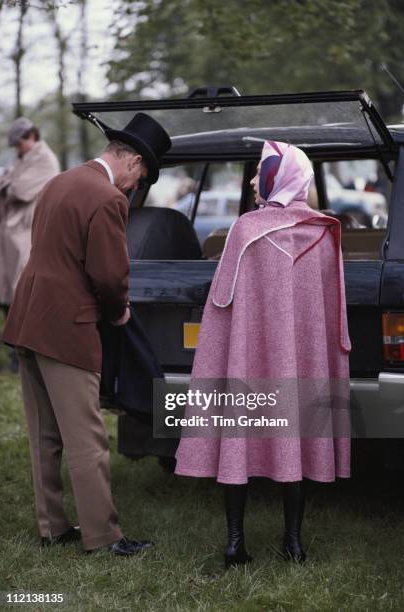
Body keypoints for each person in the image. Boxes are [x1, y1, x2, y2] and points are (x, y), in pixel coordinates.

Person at [174, 140, 351, 568]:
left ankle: (236, 543)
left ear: (278, 177)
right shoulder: (325, 234)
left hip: (247, 359)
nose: (254, 179)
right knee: (299, 435)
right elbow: (329, 314)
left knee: (240, 438)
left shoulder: (245, 230)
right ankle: (293, 542)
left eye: (260, 171)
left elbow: (222, 305)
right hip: (301, 362)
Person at [2, 112, 171, 556]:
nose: (136, 189)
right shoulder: (107, 199)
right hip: (67, 328)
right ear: (132, 162)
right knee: (87, 439)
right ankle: (103, 537)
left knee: (44, 435)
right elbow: (110, 277)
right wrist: (119, 314)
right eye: (142, 178)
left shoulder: (60, 181)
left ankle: (52, 527)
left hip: (28, 320)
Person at [0, 118, 59, 308]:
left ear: (31, 136)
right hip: (11, 226)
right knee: (6, 283)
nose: (17, 148)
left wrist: (6, 184)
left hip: (27, 227)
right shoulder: (22, 158)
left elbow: (19, 190)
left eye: (19, 143)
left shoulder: (45, 160)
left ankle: (20, 332)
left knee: (21, 285)